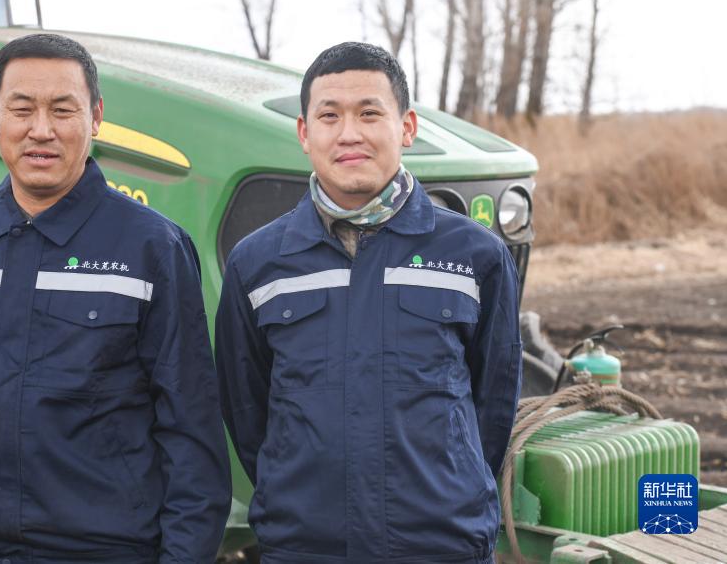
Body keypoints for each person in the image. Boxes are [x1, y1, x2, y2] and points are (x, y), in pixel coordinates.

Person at [0, 33, 231, 564]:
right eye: (22, 109)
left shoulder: (152, 248)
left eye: (62, 110)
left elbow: (192, 436)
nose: (41, 130)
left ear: (96, 117)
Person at [215, 42, 521, 563]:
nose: (349, 133)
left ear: (407, 127)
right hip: (306, 547)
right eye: (329, 116)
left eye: (369, 113)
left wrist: (451, 493)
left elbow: (494, 405)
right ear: (304, 133)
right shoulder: (258, 263)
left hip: (440, 545)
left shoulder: (475, 255)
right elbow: (247, 411)